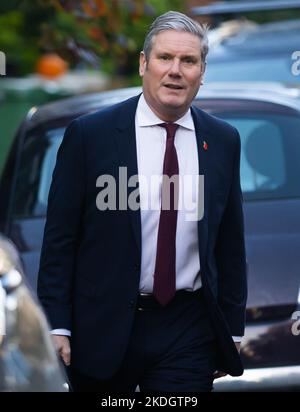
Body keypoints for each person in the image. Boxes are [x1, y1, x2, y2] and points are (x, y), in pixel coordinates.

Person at [37, 10, 247, 392]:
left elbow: (230, 243)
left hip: (188, 327)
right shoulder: (90, 136)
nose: (175, 71)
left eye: (188, 61)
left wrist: (231, 329)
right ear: (143, 64)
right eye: (165, 58)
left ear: (201, 72)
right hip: (103, 324)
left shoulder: (222, 140)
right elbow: (60, 239)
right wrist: (57, 322)